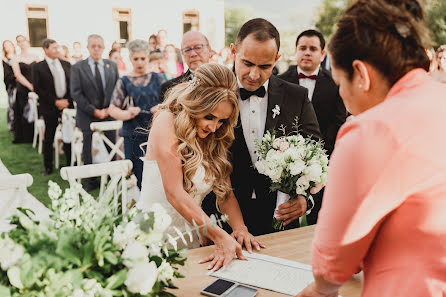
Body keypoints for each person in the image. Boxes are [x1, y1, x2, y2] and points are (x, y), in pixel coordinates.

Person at [296, 1, 446, 296]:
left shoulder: (370, 130)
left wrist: (318, 288)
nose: (340, 92)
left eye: (340, 82)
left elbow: (330, 267)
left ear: (360, 74)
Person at [137, 62, 263, 271]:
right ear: (196, 104)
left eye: (222, 121)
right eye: (209, 117)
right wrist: (219, 235)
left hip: (190, 240)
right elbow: (174, 193)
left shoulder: (214, 137)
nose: (214, 127)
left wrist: (240, 228)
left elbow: (225, 195)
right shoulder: (166, 120)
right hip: (151, 236)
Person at [210, 18, 321, 237]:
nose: (254, 75)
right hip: (222, 220)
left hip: (280, 218)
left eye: (264, 67)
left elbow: (316, 152)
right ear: (233, 51)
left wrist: (305, 199)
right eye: (247, 63)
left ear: (277, 59)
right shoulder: (213, 93)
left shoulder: (296, 96)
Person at [278, 29, 346, 225]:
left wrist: (318, 158)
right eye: (302, 48)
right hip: (286, 161)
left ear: (322, 54)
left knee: (320, 219)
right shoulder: (280, 81)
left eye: (313, 49)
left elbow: (339, 121)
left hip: (323, 162)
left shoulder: (335, 83)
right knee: (285, 216)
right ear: (295, 51)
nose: (307, 52)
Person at [109, 39, 165, 189]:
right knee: (138, 175)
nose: (140, 62)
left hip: (156, 133)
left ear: (147, 57)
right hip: (132, 134)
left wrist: (160, 107)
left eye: (143, 58)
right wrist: (127, 113)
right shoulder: (124, 81)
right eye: (136, 59)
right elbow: (112, 109)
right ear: (130, 59)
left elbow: (171, 103)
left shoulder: (158, 78)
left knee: (158, 174)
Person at [70, 34, 119, 191]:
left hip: (108, 115)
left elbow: (117, 90)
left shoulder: (111, 65)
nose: (97, 49)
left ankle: (114, 178)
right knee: (89, 150)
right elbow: (76, 93)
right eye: (93, 46)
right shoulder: (78, 67)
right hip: (87, 116)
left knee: (112, 146)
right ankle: (90, 181)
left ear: (104, 48)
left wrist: (108, 109)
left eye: (100, 46)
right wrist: (94, 111)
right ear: (88, 47)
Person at [32, 39, 73, 175]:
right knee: (49, 137)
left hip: (67, 106)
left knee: (69, 134)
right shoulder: (38, 67)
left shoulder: (66, 64)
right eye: (54, 48)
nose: (57, 50)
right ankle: (48, 166)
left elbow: (72, 85)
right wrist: (55, 101)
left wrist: (67, 100)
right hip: (50, 107)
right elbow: (38, 89)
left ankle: (70, 163)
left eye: (58, 47)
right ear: (46, 49)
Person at [159, 31, 213, 101]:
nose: (193, 54)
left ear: (209, 49)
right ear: (182, 54)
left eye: (198, 47)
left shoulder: (224, 81)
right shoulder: (169, 88)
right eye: (187, 50)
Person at [11, 35, 39, 143]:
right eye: (19, 41)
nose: (22, 43)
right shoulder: (15, 58)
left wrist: (36, 86)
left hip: (36, 86)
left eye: (23, 41)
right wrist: (29, 86)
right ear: (17, 44)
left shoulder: (36, 56)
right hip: (23, 87)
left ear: (28, 42)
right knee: (23, 110)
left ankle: (37, 134)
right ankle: (26, 137)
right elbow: (18, 75)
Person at [2, 40, 17, 132]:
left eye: (9, 45)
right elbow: (7, 74)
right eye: (5, 46)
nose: (8, 47)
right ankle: (12, 125)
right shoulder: (5, 59)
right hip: (11, 85)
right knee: (11, 105)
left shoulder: (17, 57)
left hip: (18, 84)